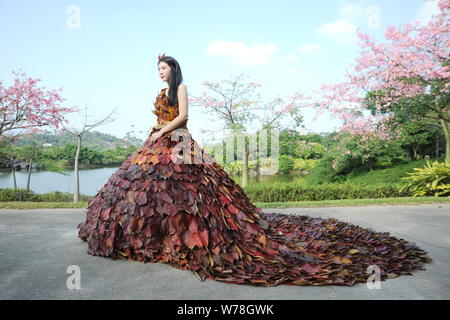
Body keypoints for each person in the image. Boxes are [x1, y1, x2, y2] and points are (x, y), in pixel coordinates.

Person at [77, 54, 432, 287]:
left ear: (174, 70)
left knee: (193, 190)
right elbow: (164, 117)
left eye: (164, 68)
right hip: (158, 142)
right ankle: (153, 234)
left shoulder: (181, 87)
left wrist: (162, 131)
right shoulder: (160, 91)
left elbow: (183, 117)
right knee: (148, 190)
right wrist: (154, 132)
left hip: (177, 139)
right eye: (158, 70)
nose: (160, 73)